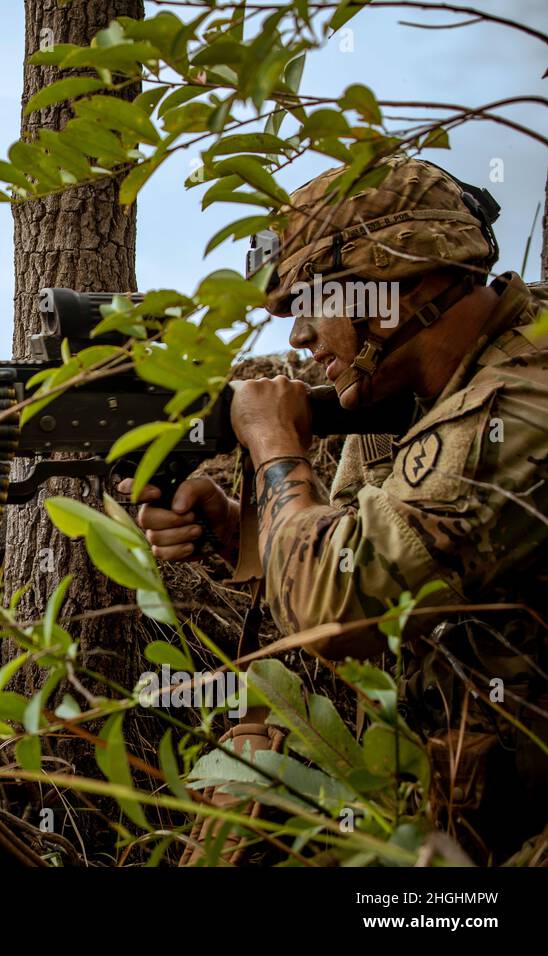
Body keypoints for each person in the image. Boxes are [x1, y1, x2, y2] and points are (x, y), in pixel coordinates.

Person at [121, 154, 548, 862]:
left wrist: (274, 447)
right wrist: (237, 529)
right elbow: (389, 562)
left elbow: (336, 610)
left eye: (310, 304)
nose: (297, 338)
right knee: (249, 763)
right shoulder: (412, 393)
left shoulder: (518, 404)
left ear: (391, 288)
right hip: (470, 756)